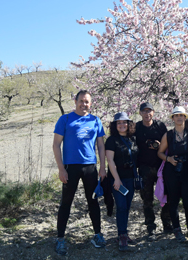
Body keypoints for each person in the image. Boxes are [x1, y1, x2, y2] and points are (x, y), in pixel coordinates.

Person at [52, 90, 106, 256]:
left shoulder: (95, 121)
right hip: (70, 168)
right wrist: (61, 168)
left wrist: (102, 167)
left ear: (91, 103)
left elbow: (101, 146)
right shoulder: (65, 119)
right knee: (66, 202)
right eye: (81, 101)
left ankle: (97, 234)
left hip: (90, 167)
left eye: (87, 102)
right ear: (75, 101)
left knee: (93, 202)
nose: (84, 104)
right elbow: (56, 145)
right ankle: (60, 238)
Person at [157, 106, 188, 242]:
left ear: (185, 117)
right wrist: (169, 159)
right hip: (172, 171)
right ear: (173, 118)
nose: (179, 117)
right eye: (176, 115)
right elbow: (160, 153)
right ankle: (177, 230)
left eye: (181, 115)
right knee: (173, 200)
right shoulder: (168, 135)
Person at [135, 102, 172, 241]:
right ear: (140, 113)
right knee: (147, 199)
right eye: (144, 111)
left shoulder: (160, 126)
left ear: (153, 112)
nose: (147, 113)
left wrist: (158, 144)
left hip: (161, 167)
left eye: (149, 111)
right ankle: (150, 226)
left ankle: (166, 222)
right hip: (144, 168)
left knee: (166, 195)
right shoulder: (137, 127)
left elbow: (168, 142)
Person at [105, 112, 138, 251]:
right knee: (121, 206)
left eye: (124, 122)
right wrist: (117, 179)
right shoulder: (112, 140)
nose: (122, 125)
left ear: (129, 124)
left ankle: (124, 232)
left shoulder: (133, 139)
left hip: (130, 177)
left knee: (127, 206)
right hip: (117, 179)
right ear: (115, 125)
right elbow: (110, 161)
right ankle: (122, 235)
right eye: (118, 123)